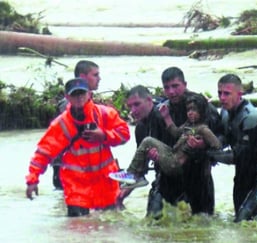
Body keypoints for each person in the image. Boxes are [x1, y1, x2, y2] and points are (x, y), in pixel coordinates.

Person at [25, 78, 130, 217]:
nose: (79, 97)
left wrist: (104, 136)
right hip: (77, 188)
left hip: (105, 185)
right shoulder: (61, 124)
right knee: (78, 231)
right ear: (67, 97)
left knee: (109, 231)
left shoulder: (105, 114)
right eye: (74, 94)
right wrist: (32, 180)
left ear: (89, 94)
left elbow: (125, 134)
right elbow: (43, 152)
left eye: (82, 93)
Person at [144, 67, 223, 219]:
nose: (171, 91)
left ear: (185, 84)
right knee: (154, 223)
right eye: (167, 88)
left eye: (175, 86)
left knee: (203, 225)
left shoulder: (204, 107)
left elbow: (222, 138)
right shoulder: (159, 113)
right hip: (168, 176)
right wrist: (152, 154)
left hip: (198, 175)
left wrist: (203, 145)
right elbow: (153, 141)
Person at [109, 93, 222, 186]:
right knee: (148, 142)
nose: (190, 113)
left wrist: (201, 145)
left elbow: (217, 146)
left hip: (176, 164)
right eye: (188, 110)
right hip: (173, 155)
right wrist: (166, 116)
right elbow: (176, 132)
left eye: (194, 110)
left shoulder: (203, 129)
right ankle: (136, 174)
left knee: (148, 140)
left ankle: (134, 174)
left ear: (201, 111)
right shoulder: (189, 124)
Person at [210, 73, 257, 222]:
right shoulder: (225, 113)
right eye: (220, 93)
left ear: (239, 94)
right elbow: (223, 140)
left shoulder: (251, 118)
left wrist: (209, 155)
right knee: (240, 224)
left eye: (227, 94)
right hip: (242, 177)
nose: (222, 98)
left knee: (243, 220)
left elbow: (237, 156)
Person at [52, 60, 101, 190]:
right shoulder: (69, 105)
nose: (99, 79)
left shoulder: (88, 102)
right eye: (95, 75)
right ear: (83, 77)